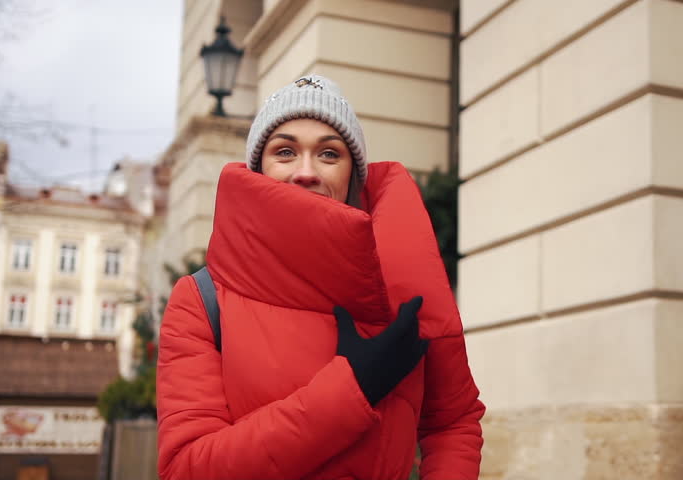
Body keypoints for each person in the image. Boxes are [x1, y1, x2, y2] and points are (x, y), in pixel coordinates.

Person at [156, 74, 485, 480]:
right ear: (257, 169)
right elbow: (186, 469)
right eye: (285, 151)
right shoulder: (201, 301)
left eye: (329, 154)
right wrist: (352, 389)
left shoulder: (403, 287)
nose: (306, 171)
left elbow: (453, 422)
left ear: (353, 176)